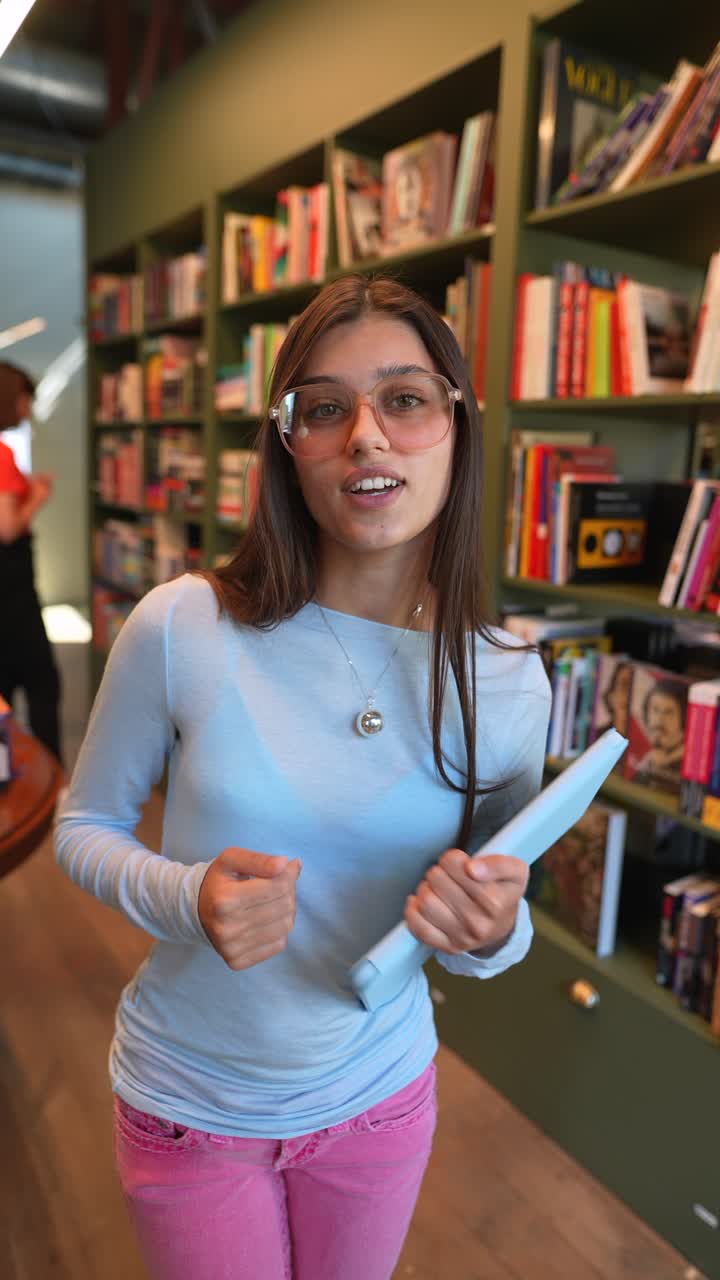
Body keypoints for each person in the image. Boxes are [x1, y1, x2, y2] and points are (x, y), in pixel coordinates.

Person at [55, 275, 551, 1280]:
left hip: (382, 1096)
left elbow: (496, 908)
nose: (367, 435)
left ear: (457, 422)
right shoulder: (184, 622)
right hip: (191, 1102)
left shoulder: (506, 677)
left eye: (405, 398)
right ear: (289, 444)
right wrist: (186, 894)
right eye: (324, 408)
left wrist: (495, 929)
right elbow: (84, 825)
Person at [0, 360, 62, 764]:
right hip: (11, 586)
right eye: (24, 400)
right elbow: (5, 529)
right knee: (42, 681)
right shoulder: (2, 454)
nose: (27, 410)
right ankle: (50, 778)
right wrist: (37, 496)